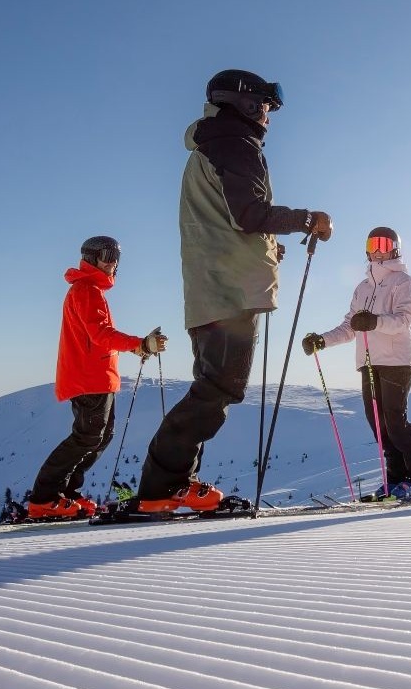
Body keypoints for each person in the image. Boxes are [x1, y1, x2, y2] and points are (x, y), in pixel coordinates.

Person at [129, 69, 332, 514]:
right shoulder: (236, 144)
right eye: (264, 106)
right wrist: (308, 219)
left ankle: (174, 485)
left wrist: (267, 247)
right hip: (230, 293)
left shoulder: (213, 144)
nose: (268, 116)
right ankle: (160, 488)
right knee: (219, 389)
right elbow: (250, 214)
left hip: (211, 288)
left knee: (212, 387)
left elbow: (227, 219)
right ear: (243, 104)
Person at [28, 236, 167, 519]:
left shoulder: (90, 290)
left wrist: (137, 347)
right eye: (106, 255)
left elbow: (98, 337)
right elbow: (100, 334)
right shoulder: (87, 289)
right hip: (89, 379)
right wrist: (139, 343)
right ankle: (45, 498)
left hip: (97, 378)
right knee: (87, 437)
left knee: (99, 437)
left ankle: (66, 493)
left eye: (116, 257)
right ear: (91, 258)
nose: (113, 262)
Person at [302, 226, 411, 503]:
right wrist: (322, 341)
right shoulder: (362, 288)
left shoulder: (403, 281)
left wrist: (375, 322)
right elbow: (349, 327)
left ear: (395, 248)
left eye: (383, 244)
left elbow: (404, 321)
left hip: (396, 361)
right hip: (368, 363)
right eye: (372, 244)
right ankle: (397, 481)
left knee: (396, 423)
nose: (377, 251)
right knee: (380, 427)